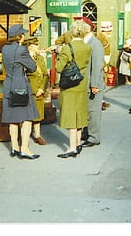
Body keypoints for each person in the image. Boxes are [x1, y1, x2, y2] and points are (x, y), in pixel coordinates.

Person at [1, 24, 40, 160]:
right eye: (22, 34)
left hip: (8, 86)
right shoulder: (21, 50)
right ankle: (25, 148)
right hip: (21, 87)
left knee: (13, 119)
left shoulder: (5, 49)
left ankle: (14, 147)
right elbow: (33, 67)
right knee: (27, 119)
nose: (24, 36)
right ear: (19, 36)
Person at [55, 20, 92, 158]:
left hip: (69, 85)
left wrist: (59, 51)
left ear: (72, 31)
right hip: (82, 83)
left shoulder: (67, 48)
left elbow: (59, 68)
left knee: (70, 116)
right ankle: (77, 144)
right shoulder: (87, 47)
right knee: (79, 114)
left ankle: (71, 148)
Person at [81, 18, 105, 147]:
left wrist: (94, 84)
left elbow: (97, 65)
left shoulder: (95, 43)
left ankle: (94, 136)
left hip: (93, 82)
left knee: (94, 111)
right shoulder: (86, 42)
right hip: (86, 82)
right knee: (87, 109)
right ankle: (87, 132)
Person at [23, 35, 49, 146]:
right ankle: (24, 137)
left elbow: (45, 74)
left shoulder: (40, 58)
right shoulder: (24, 59)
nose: (38, 46)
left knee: (38, 115)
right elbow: (22, 76)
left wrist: (42, 88)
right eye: (36, 44)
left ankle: (37, 135)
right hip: (29, 90)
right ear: (30, 46)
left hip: (39, 90)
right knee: (26, 116)